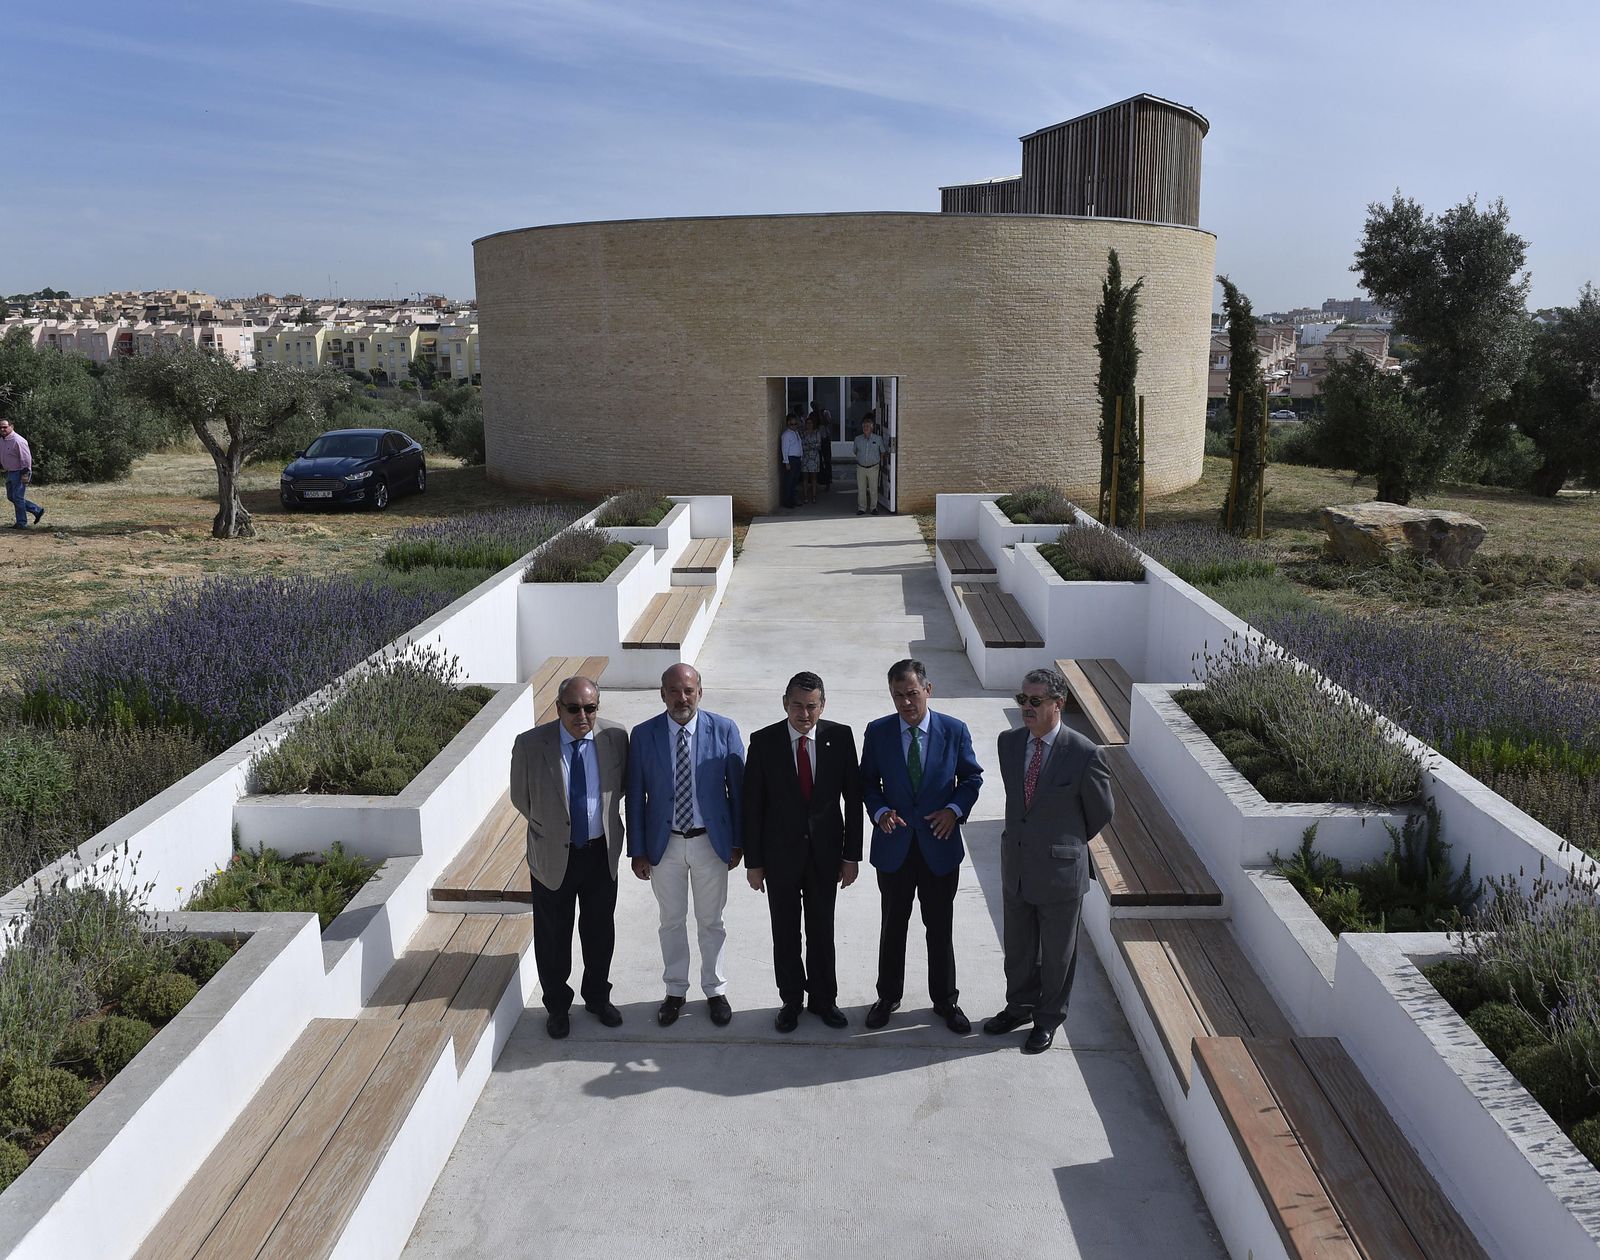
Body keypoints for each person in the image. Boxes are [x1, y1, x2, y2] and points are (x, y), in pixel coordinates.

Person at [984, 667, 1114, 1054]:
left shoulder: (1084, 753)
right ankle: (1019, 1006)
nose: (1026, 707)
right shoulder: (1008, 743)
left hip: (1060, 871)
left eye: (1035, 701)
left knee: (1058, 955)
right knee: (1019, 947)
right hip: (1018, 867)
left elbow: (1101, 811)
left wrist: (1064, 843)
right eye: (1022, 699)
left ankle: (1047, 1018)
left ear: (1059, 704)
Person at [860, 659, 983, 1033]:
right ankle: (887, 997)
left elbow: (971, 778)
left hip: (939, 847)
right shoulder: (878, 731)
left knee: (940, 926)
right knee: (892, 926)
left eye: (912, 694)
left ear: (928, 690)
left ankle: (945, 1000)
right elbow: (866, 783)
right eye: (898, 696)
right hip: (895, 847)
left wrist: (954, 809)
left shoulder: (954, 730)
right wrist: (879, 811)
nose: (906, 703)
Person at [742, 670, 863, 1032]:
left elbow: (853, 801)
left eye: (812, 706)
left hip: (826, 857)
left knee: (822, 930)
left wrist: (851, 856)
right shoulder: (763, 742)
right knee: (786, 932)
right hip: (779, 858)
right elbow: (752, 806)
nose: (804, 714)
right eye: (797, 705)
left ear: (822, 706)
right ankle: (791, 1001)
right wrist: (755, 863)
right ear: (785, 704)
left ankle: (824, 1001)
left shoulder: (840, 738)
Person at [509, 675, 629, 1039]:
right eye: (573, 708)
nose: (582, 716)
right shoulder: (531, 744)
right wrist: (553, 828)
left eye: (590, 708)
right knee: (552, 936)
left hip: (599, 853)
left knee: (599, 933)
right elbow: (521, 798)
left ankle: (596, 997)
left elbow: (620, 788)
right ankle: (557, 1007)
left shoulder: (615, 738)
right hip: (552, 855)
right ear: (558, 708)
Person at [627, 664, 745, 1028]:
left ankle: (715, 989)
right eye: (674, 691)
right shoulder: (644, 735)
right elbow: (635, 796)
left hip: (710, 844)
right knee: (671, 922)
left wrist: (738, 842)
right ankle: (675, 990)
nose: (682, 698)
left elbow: (738, 793)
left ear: (700, 692)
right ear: (662, 694)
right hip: (666, 846)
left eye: (689, 690)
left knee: (712, 921)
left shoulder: (724, 730)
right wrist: (638, 849)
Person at [0, 418, 44, 530]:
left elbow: (26, 458)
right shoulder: (2, 440)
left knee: (18, 498)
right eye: (1, 427)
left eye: (5, 427)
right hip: (10, 472)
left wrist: (25, 474)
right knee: (11, 497)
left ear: (11, 426)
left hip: (20, 472)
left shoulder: (18, 440)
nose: (2, 429)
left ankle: (21, 523)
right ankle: (37, 510)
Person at [853, 413, 886, 516]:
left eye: (867, 426)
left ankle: (873, 508)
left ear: (872, 428)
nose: (865, 428)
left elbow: (883, 452)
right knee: (861, 489)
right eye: (864, 426)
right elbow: (855, 451)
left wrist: (878, 462)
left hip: (873, 468)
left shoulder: (878, 439)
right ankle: (862, 508)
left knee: (873, 489)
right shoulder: (857, 439)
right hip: (861, 467)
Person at [780, 412, 804, 509]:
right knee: (789, 481)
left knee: (795, 481)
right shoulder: (786, 435)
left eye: (795, 424)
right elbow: (784, 448)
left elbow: (799, 446)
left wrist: (801, 457)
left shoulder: (796, 433)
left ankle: (793, 499)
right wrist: (786, 462)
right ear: (788, 424)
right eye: (791, 424)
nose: (794, 426)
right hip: (791, 459)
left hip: (797, 459)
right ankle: (787, 501)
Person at [801, 415, 822, 505]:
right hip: (805, 457)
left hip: (814, 458)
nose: (809, 425)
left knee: (814, 478)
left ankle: (814, 496)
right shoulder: (802, 433)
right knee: (805, 478)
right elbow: (801, 445)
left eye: (811, 423)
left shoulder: (817, 432)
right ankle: (805, 496)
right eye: (807, 423)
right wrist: (811, 446)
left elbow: (819, 445)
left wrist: (809, 445)